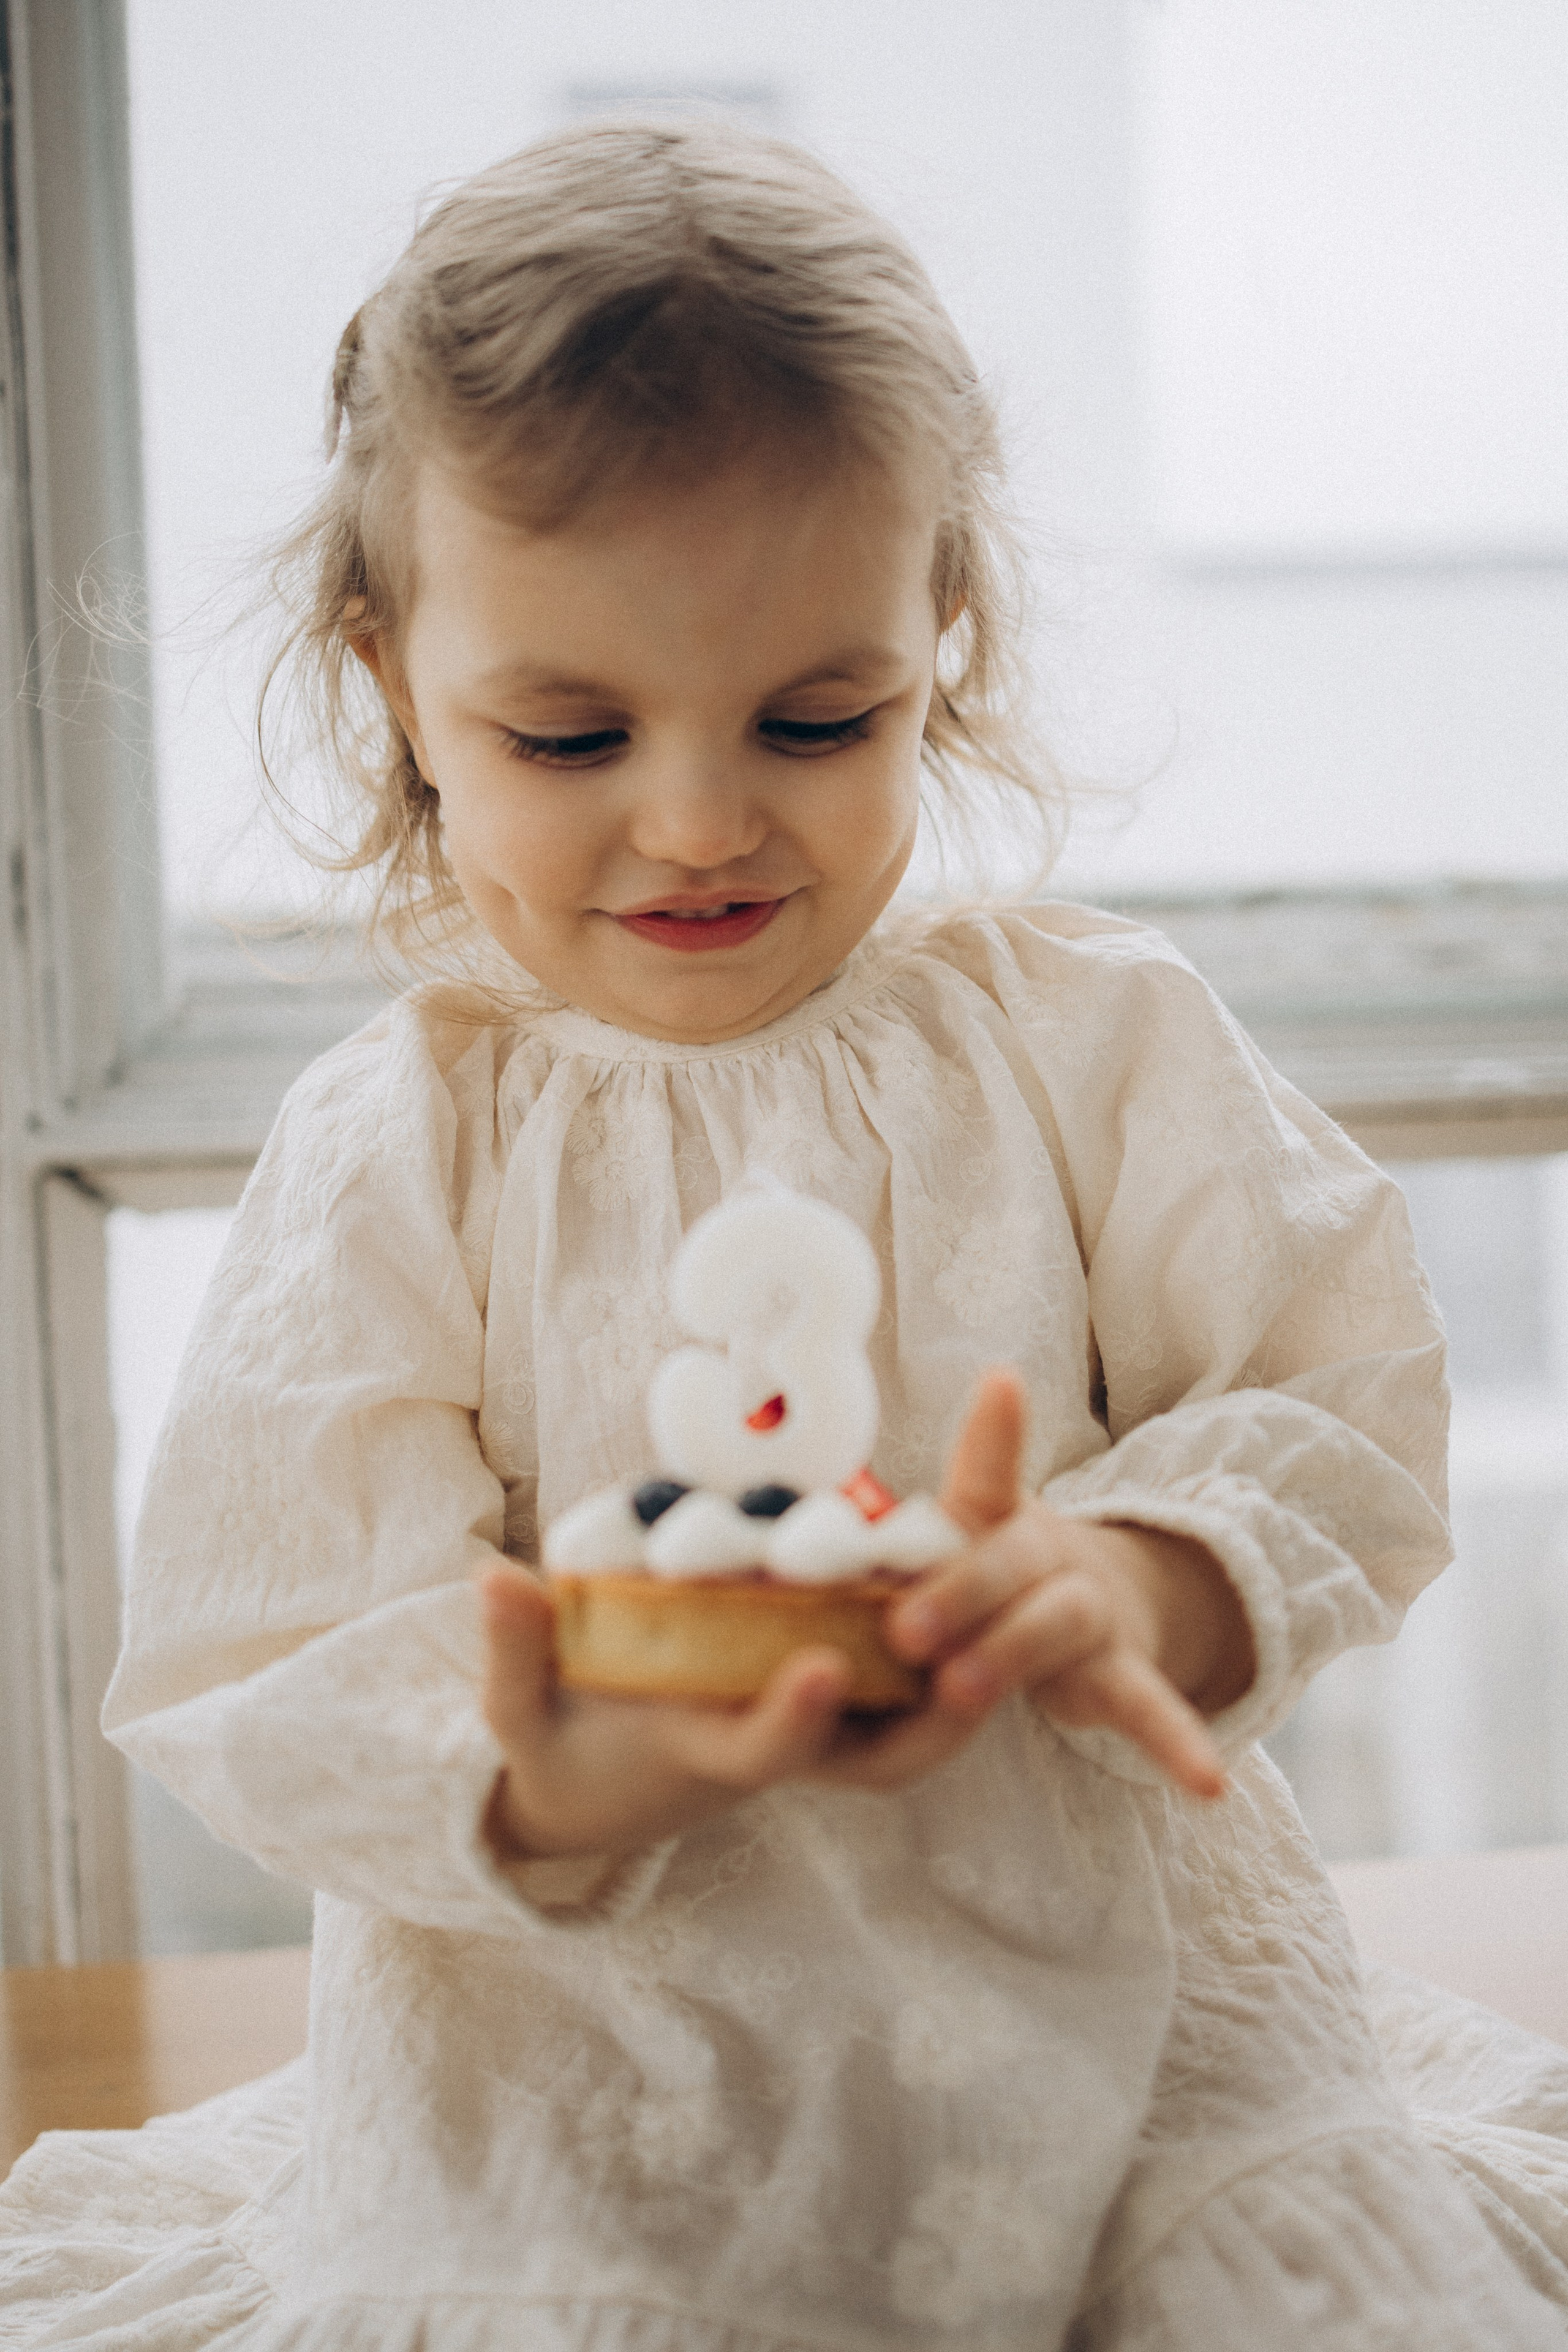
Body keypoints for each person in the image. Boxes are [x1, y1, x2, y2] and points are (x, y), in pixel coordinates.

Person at [5, 116, 1568, 2351]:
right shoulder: (404, 1147)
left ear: (946, 628)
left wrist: (1143, 1570)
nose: (704, 815)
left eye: (820, 716)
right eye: (568, 731)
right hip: (577, 2059)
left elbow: (1337, 1388)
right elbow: (259, 1646)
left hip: (1138, 2017)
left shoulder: (1091, 1043)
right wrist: (581, 1740)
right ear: (393, 691)